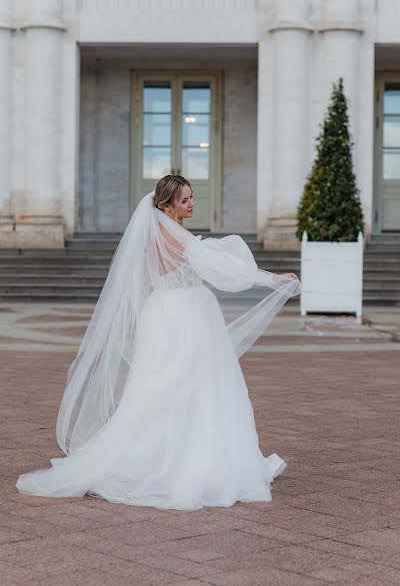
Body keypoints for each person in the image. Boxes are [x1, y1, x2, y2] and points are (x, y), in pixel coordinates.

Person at [16, 175, 301, 511]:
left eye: (192, 197)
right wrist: (272, 279)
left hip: (162, 313)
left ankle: (166, 451)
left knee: (162, 387)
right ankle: (191, 460)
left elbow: (144, 282)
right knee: (199, 386)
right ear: (167, 206)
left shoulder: (152, 235)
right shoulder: (177, 236)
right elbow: (226, 271)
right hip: (186, 314)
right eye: (184, 200)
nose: (192, 203)